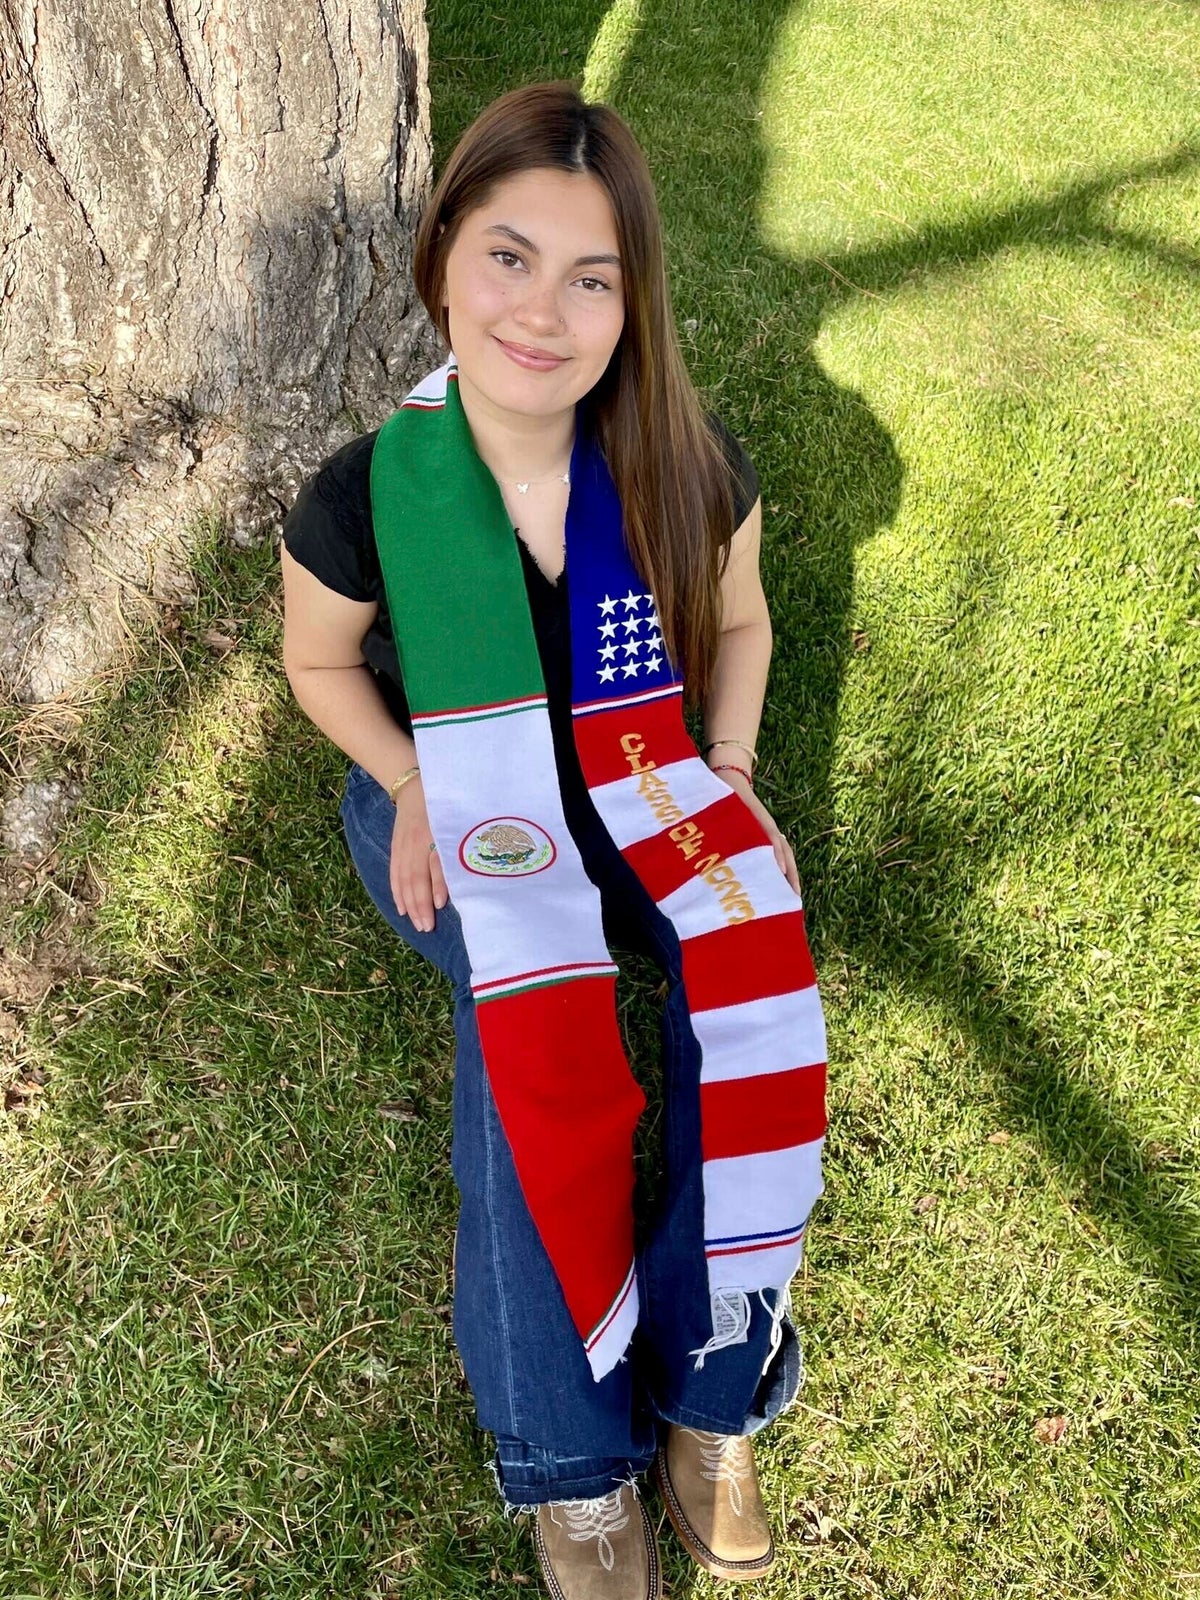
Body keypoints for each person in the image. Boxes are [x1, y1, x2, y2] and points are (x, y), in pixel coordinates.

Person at [280, 79, 827, 1600]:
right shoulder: (370, 495)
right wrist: (406, 781)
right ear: (445, 248)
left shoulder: (675, 457)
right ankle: (572, 1472)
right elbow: (319, 668)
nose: (544, 311)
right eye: (509, 256)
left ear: (630, 302)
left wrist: (726, 765)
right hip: (464, 794)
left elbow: (742, 617)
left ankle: (711, 1397)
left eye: (592, 278)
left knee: (752, 971)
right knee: (530, 1014)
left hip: (643, 772)